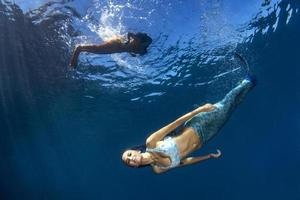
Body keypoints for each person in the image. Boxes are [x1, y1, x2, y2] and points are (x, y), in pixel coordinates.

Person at [122, 77, 255, 173]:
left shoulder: (151, 143)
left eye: (129, 155)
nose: (131, 158)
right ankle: (245, 86)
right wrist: (208, 157)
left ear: (136, 151)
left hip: (197, 125)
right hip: (205, 138)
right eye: (129, 162)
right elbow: (184, 162)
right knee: (230, 110)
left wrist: (200, 109)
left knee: (225, 105)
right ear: (134, 166)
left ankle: (248, 80)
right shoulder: (158, 169)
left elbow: (175, 123)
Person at [69, 32, 152, 68]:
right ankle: (78, 49)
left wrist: (131, 53)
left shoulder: (138, 48)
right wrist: (127, 40)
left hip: (118, 46)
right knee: (98, 49)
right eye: (147, 44)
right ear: (143, 43)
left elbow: (131, 49)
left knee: (98, 50)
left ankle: (79, 50)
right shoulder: (138, 42)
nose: (148, 45)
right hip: (117, 45)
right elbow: (129, 33)